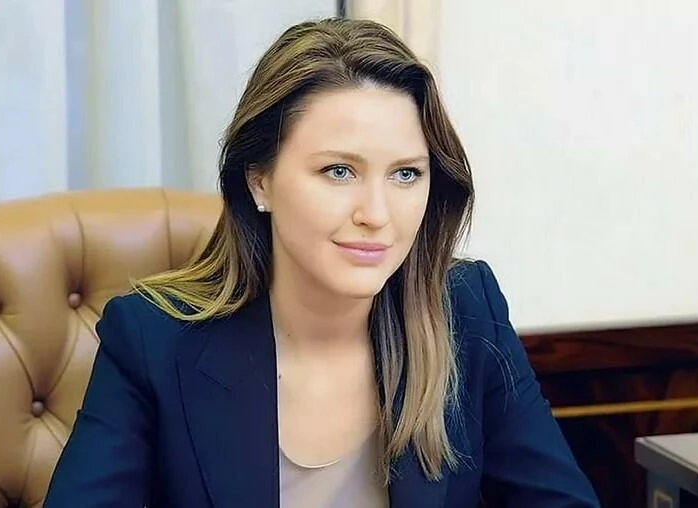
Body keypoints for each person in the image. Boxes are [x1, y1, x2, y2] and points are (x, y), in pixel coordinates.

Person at [44, 17, 599, 508]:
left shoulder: (467, 311)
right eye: (339, 171)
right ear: (259, 181)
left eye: (406, 174)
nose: (376, 214)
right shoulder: (152, 340)